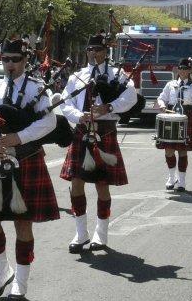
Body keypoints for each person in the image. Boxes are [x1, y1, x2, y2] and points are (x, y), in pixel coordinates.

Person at [0, 37, 59, 301]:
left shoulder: (37, 90)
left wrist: (17, 138)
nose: (10, 64)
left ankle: (20, 283)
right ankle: (2, 271)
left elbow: (49, 123)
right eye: (6, 59)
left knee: (23, 222)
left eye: (15, 60)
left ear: (25, 61)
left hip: (26, 158)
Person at [59, 34, 138, 253]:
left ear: (106, 52)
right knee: (76, 184)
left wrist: (109, 108)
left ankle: (100, 235)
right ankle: (81, 233)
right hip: (83, 130)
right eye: (90, 49)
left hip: (105, 131)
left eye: (98, 49)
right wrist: (78, 115)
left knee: (102, 185)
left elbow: (131, 97)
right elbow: (66, 102)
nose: (94, 53)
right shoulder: (78, 76)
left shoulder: (118, 75)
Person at [156, 58, 192, 192]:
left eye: (186, 69)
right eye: (181, 69)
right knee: (169, 150)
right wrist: (161, 105)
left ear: (190, 70)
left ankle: (182, 181)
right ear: (178, 70)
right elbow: (161, 98)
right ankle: (172, 177)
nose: (183, 71)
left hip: (186, 118)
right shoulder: (170, 84)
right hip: (171, 117)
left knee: (182, 151)